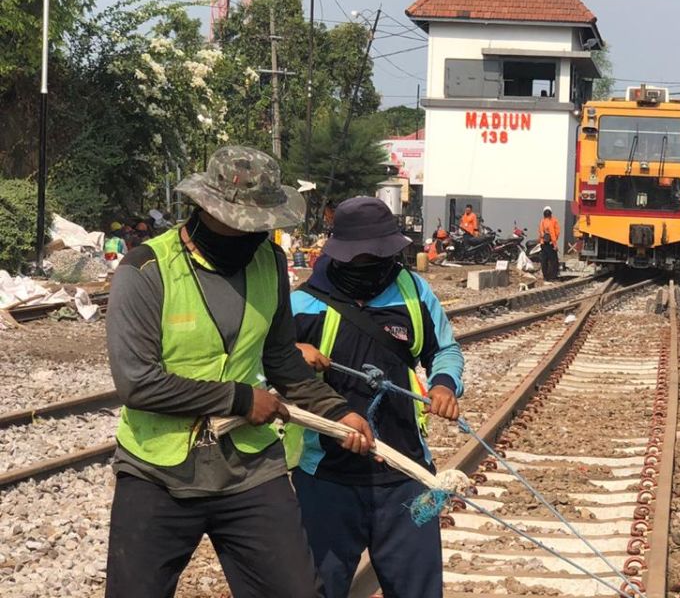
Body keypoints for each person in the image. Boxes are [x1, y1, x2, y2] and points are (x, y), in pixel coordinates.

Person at [105, 146, 376, 598]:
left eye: (263, 224)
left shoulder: (268, 262)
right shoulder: (146, 271)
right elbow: (136, 381)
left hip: (250, 468)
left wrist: (337, 411)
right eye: (243, 223)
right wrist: (241, 399)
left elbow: (282, 360)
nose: (254, 233)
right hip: (158, 470)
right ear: (205, 209)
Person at [291, 197, 464, 598]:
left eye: (379, 255)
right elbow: (264, 370)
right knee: (318, 588)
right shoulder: (303, 303)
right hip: (327, 478)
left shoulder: (414, 292)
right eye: (360, 257)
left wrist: (443, 384)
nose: (370, 264)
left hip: (407, 477)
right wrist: (292, 354)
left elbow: (446, 350)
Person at [538, 206, 560, 281]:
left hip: (543, 244)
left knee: (544, 261)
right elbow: (554, 234)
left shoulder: (542, 221)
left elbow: (541, 232)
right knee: (553, 260)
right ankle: (553, 276)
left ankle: (546, 276)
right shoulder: (553, 221)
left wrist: (542, 240)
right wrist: (555, 244)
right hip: (550, 244)